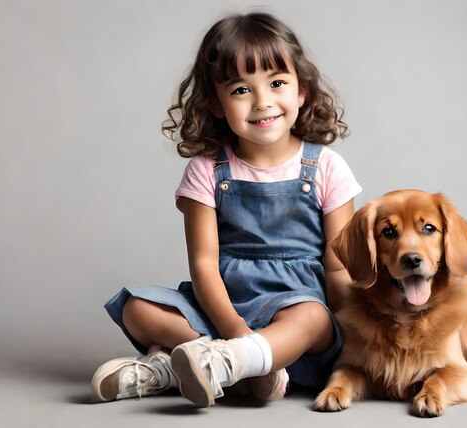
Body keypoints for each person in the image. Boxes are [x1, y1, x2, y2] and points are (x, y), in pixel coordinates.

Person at [91, 12, 361, 408]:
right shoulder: (207, 170)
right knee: (137, 308)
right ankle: (226, 365)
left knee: (314, 319)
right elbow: (204, 266)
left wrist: (353, 337)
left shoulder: (326, 167)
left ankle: (211, 363)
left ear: (301, 91)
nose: (262, 101)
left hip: (299, 307)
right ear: (216, 104)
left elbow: (339, 267)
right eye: (240, 90)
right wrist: (235, 329)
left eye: (277, 83)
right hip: (222, 306)